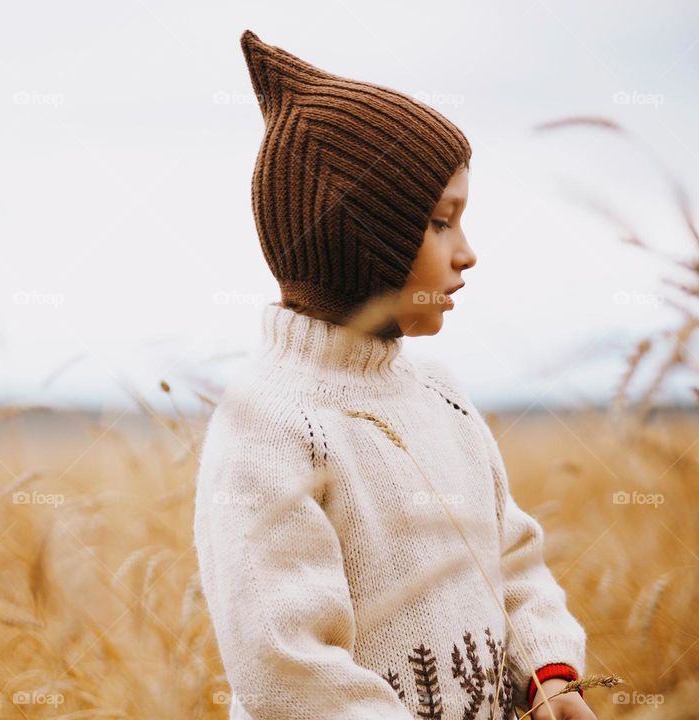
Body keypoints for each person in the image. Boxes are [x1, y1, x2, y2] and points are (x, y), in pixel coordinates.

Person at [192, 29, 598, 720]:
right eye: (441, 223)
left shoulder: (440, 395)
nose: (468, 254)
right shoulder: (269, 428)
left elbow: (512, 559)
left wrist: (548, 674)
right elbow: (284, 666)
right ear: (356, 242)